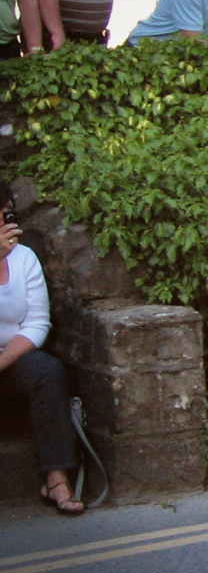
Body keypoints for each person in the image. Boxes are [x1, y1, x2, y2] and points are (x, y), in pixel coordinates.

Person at [0, 184, 86, 514]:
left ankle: (56, 480)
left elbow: (37, 324)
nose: (8, 215)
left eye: (10, 208)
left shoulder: (25, 258)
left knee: (48, 371)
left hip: (11, 358)